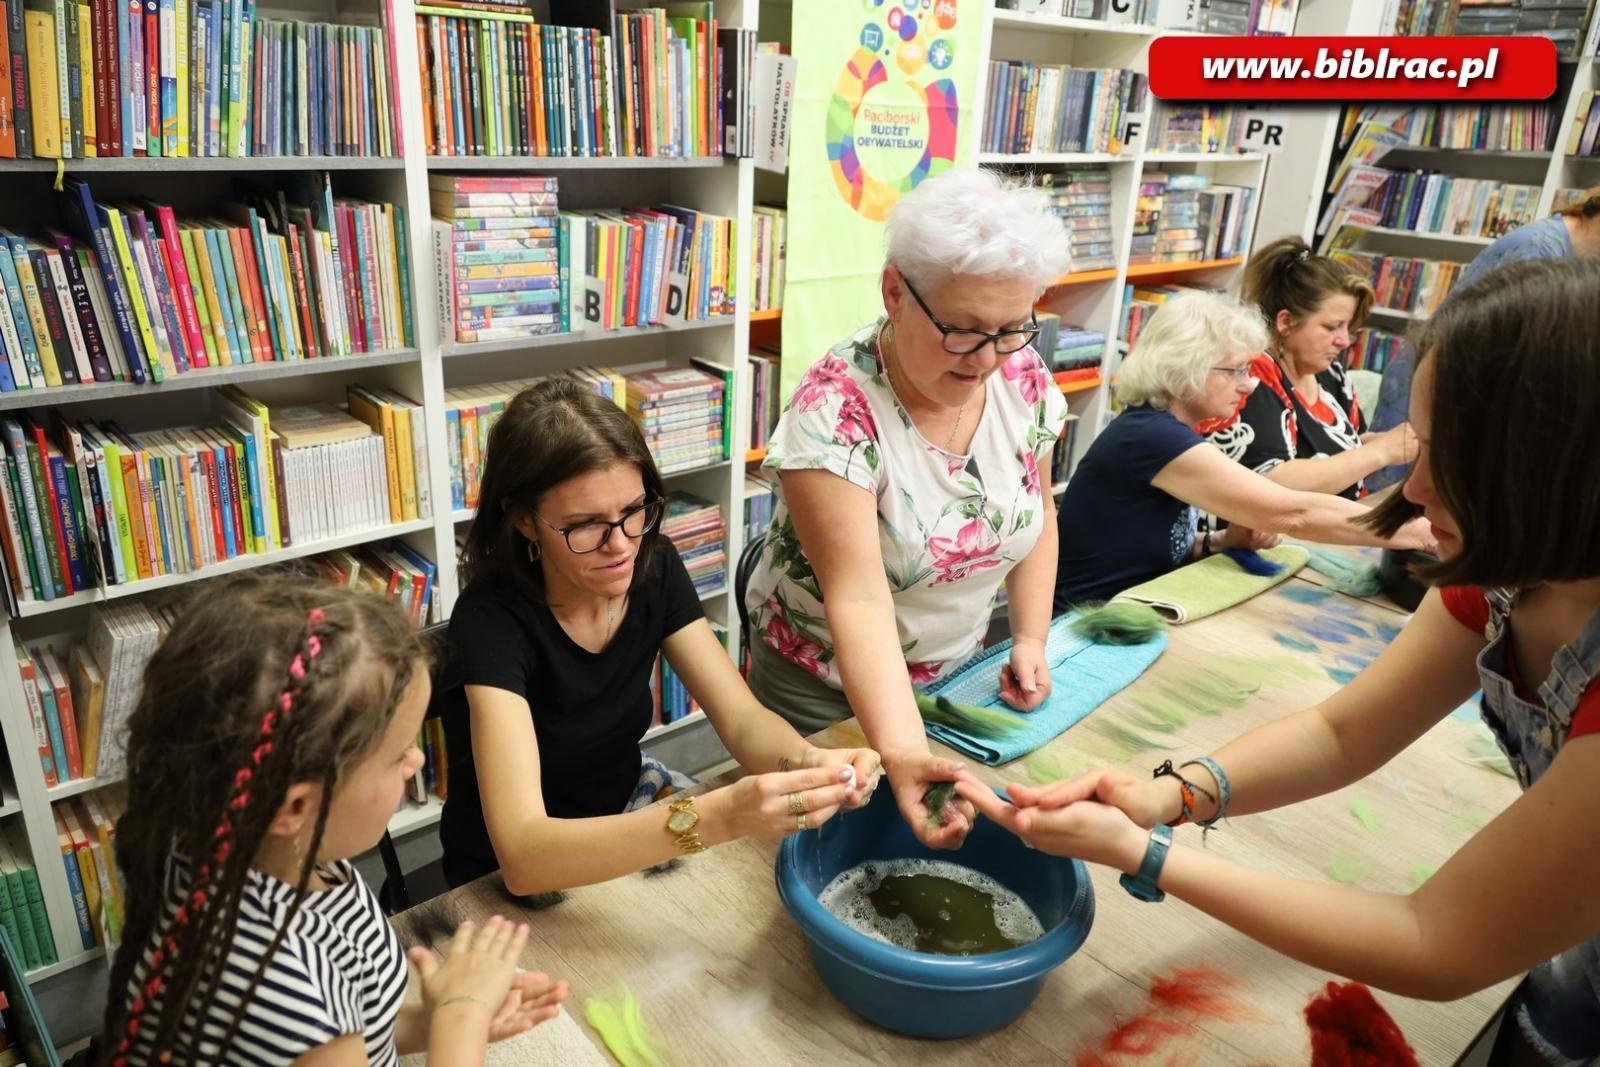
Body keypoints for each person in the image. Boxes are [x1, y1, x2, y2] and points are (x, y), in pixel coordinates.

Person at [968, 255, 1600, 1065]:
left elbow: (1438, 940)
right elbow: (1342, 733)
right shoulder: (1501, 577)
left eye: (1449, 455)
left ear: (1553, 469)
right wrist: (1163, 796)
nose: (1414, 489)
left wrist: (1142, 852)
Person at [440, 378, 880, 897]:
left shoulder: (654, 565)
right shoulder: (490, 620)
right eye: (585, 526)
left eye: (634, 511)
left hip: (625, 811)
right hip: (512, 871)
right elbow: (523, 855)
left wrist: (808, 764)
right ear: (524, 522)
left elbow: (741, 720)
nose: (621, 545)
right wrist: (718, 816)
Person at [104, 576, 567, 1066]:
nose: (416, 760)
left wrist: (439, 1023)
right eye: (399, 753)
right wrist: (462, 1019)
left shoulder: (271, 853)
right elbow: (322, 1033)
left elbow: (361, 1029)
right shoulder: (280, 994)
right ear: (295, 809)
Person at [742, 167, 1072, 851]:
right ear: (895, 290)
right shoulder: (834, 413)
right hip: (825, 686)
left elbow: (1037, 511)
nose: (987, 358)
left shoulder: (1023, 375)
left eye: (1011, 328)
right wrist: (904, 751)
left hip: (954, 670)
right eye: (964, 329)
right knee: (821, 853)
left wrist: (1031, 639)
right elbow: (859, 598)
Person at [1053, 289, 1434, 610]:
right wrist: (1421, 533)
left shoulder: (1161, 430)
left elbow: (1145, 545)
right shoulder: (1152, 437)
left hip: (1128, 613)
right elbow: (1294, 512)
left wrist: (1221, 542)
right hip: (1082, 627)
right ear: (1186, 369)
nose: (1249, 384)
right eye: (1235, 370)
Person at [1368, 185, 1600, 488]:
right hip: (1434, 382)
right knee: (1400, 497)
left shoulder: (1566, 251)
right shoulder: (1540, 250)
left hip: (1451, 381)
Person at [1206, 236, 1417, 500]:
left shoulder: (1330, 374)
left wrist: (1399, 443)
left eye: (1347, 327)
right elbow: (1270, 481)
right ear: (1286, 322)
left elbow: (1344, 449)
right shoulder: (1251, 376)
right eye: (1331, 327)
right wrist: (1380, 452)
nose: (1344, 340)